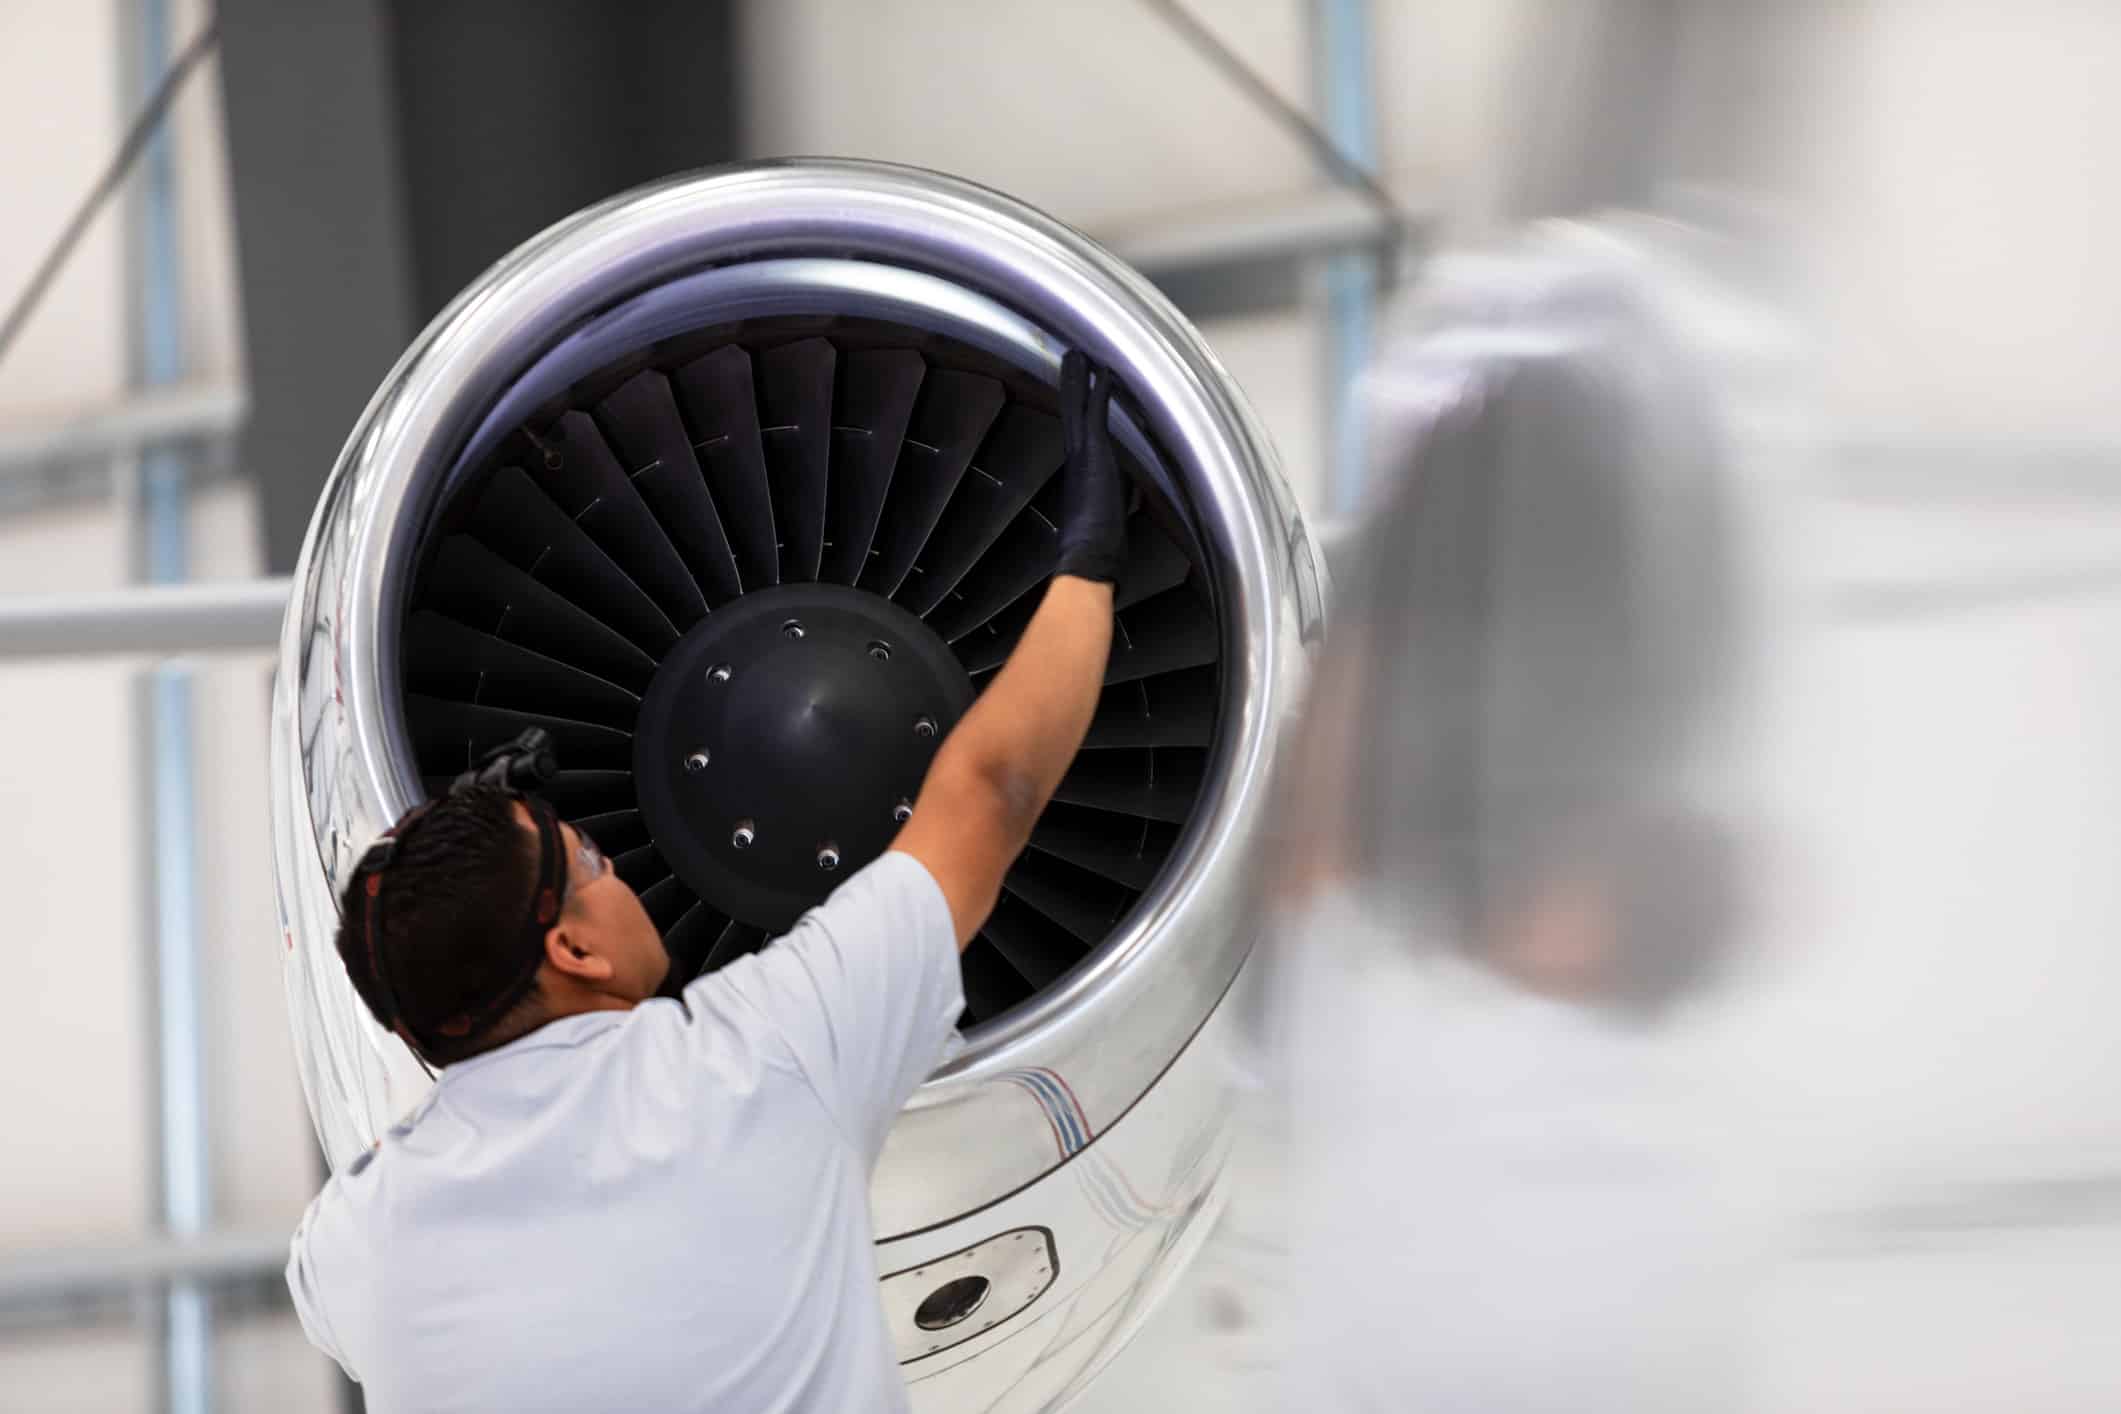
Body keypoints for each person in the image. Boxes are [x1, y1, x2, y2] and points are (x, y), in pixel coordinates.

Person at [285, 352, 1133, 1412]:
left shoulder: (362, 1242)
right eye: (590, 861)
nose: (613, 864)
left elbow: (328, 1275)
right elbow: (992, 792)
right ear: (573, 949)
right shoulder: (758, 1055)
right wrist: (1090, 561)